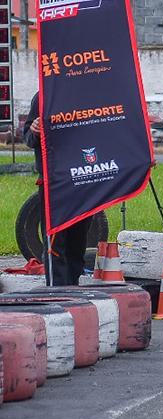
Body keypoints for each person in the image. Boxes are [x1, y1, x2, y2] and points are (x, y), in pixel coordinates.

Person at [25, 92, 89, 287]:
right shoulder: (43, 96)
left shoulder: (91, 93)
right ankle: (57, 291)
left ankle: (74, 287)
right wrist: (34, 131)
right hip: (54, 183)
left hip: (85, 179)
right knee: (55, 244)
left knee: (78, 243)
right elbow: (28, 138)